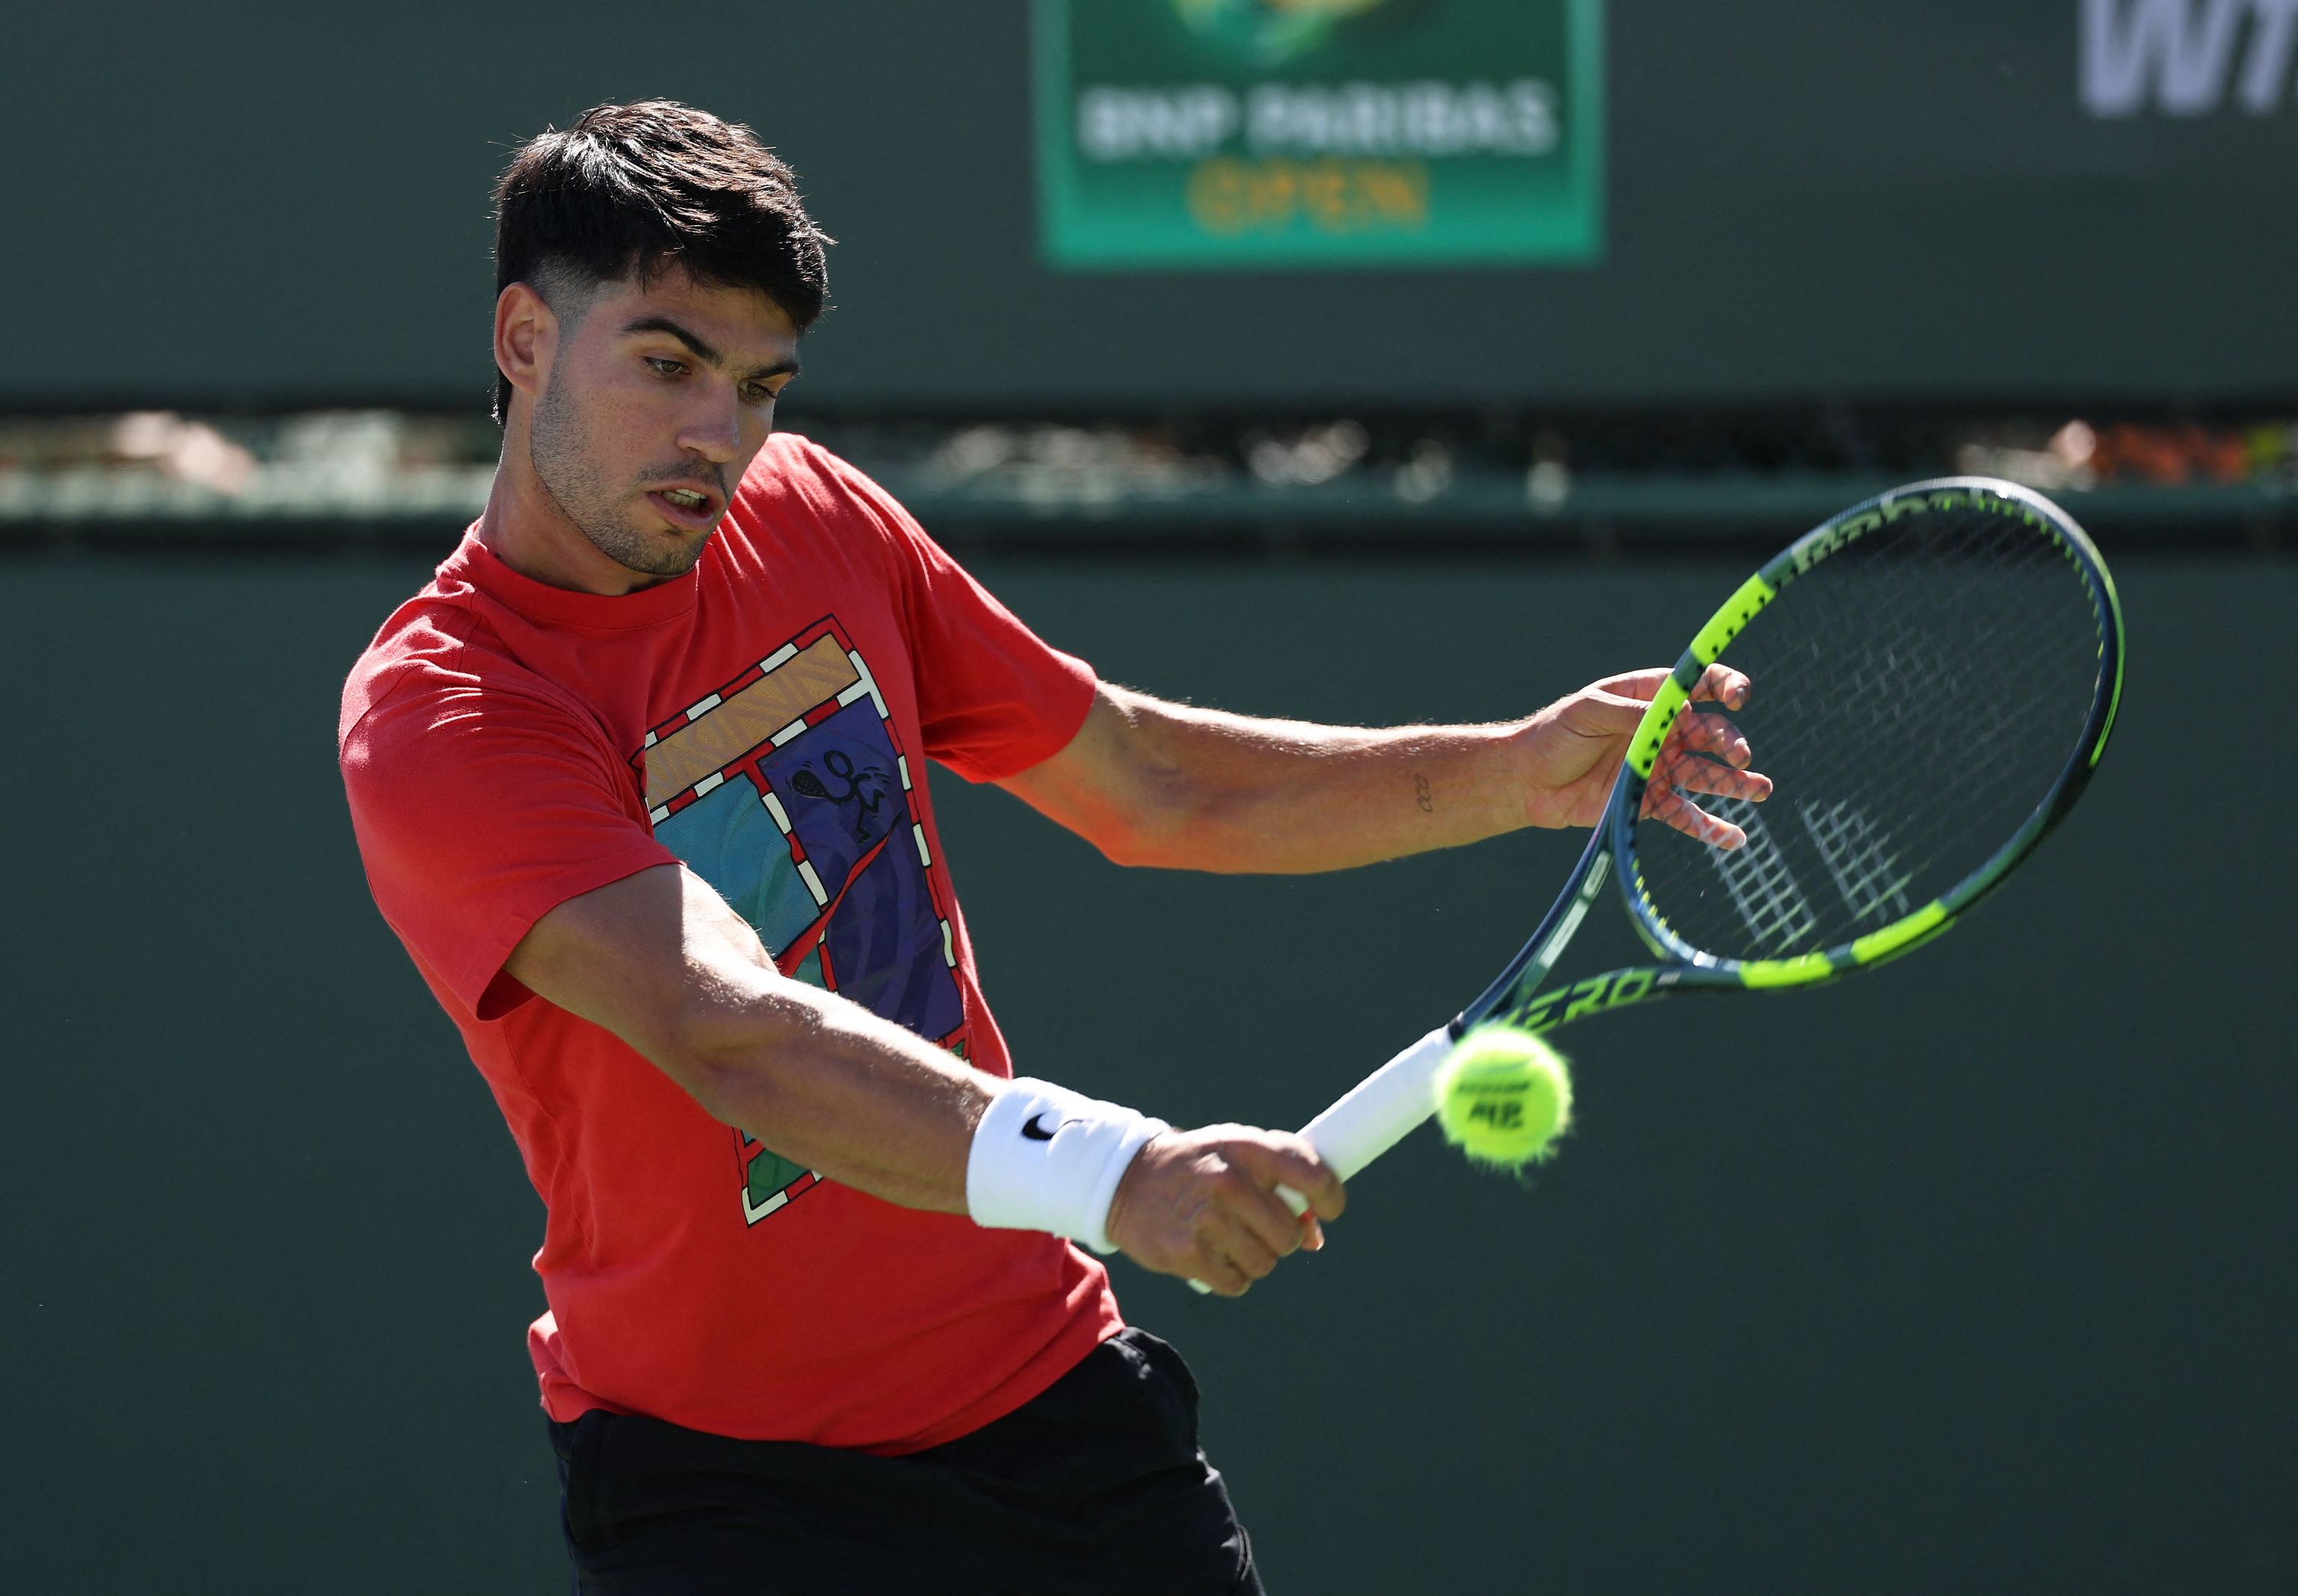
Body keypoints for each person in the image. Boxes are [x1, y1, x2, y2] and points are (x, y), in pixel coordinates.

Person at [337, 99, 1766, 1595]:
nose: (720, 431)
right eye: (665, 362)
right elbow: (725, 1023)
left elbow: (1145, 780)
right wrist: (1117, 1168)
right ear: (522, 339)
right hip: (722, 1494)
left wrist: (1512, 770)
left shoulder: (811, 510)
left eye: (760, 384)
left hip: (1051, 1414)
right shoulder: (449, 714)